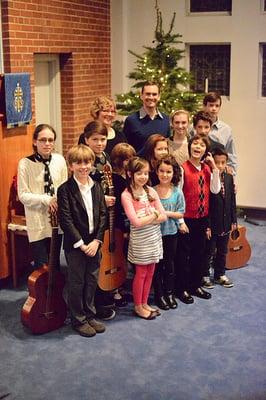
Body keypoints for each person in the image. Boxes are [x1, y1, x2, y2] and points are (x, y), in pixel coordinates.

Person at [57, 144, 107, 337]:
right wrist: (82, 244)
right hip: (76, 245)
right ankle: (78, 320)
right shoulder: (65, 190)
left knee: (92, 279)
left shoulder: (96, 186)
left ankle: (89, 314)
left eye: (87, 162)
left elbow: (103, 215)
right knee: (77, 282)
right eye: (78, 163)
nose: (83, 166)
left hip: (94, 243)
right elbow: (66, 220)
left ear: (92, 164)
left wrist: (97, 241)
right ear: (71, 166)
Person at [176, 135, 221, 304]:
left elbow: (215, 190)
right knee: (184, 256)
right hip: (187, 219)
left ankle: (195, 285)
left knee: (199, 254)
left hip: (202, 219)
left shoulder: (207, 169)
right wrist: (180, 221)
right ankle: (182, 288)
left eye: (202, 145)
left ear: (205, 150)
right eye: (195, 143)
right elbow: (178, 195)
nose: (198, 147)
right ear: (190, 147)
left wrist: (214, 167)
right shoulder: (182, 168)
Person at [121, 157, 167, 319]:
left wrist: (149, 216)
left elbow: (164, 217)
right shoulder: (127, 195)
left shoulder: (151, 191)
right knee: (141, 273)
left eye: (146, 173)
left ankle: (145, 302)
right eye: (139, 173)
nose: (143, 177)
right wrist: (153, 214)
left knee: (150, 272)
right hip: (140, 240)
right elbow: (136, 222)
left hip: (154, 237)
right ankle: (138, 306)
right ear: (129, 173)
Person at [17, 124, 68, 269]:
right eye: (43, 140)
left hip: (55, 220)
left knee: (55, 263)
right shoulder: (25, 164)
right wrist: (47, 200)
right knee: (42, 266)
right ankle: (41, 292)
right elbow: (23, 195)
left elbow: (63, 188)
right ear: (35, 142)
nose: (47, 144)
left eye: (50, 140)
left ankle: (54, 292)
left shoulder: (59, 160)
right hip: (37, 221)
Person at [153, 155, 186, 310]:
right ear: (157, 172)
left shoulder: (177, 192)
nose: (165, 175)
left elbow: (180, 213)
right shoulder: (151, 191)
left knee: (169, 264)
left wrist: (165, 213)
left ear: (174, 173)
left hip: (171, 234)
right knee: (157, 266)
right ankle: (159, 295)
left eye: (168, 172)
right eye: (161, 171)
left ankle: (170, 293)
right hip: (154, 235)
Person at [202, 147, 237, 289]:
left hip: (226, 222)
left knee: (223, 250)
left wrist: (234, 220)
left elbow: (232, 200)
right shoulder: (209, 177)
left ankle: (219, 274)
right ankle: (205, 275)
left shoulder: (229, 177)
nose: (220, 166)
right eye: (217, 163)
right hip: (213, 223)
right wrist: (208, 225)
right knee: (209, 251)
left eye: (223, 163)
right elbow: (207, 204)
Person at [110, 142, 137, 306]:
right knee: (118, 257)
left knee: (129, 256)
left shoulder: (131, 176)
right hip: (120, 223)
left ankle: (124, 287)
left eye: (131, 158)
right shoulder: (114, 178)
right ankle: (115, 289)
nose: (129, 161)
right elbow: (118, 207)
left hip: (132, 221)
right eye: (126, 159)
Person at [123, 81, 171, 154]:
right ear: (141, 96)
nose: (151, 97)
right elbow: (126, 149)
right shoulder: (131, 120)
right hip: (139, 164)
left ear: (159, 96)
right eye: (148, 94)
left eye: (154, 94)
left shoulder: (165, 120)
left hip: (160, 164)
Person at [203, 92, 237, 175]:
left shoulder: (226, 129)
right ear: (204, 106)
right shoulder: (194, 128)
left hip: (219, 172)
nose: (214, 108)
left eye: (217, 106)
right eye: (211, 105)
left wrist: (231, 174)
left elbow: (231, 153)